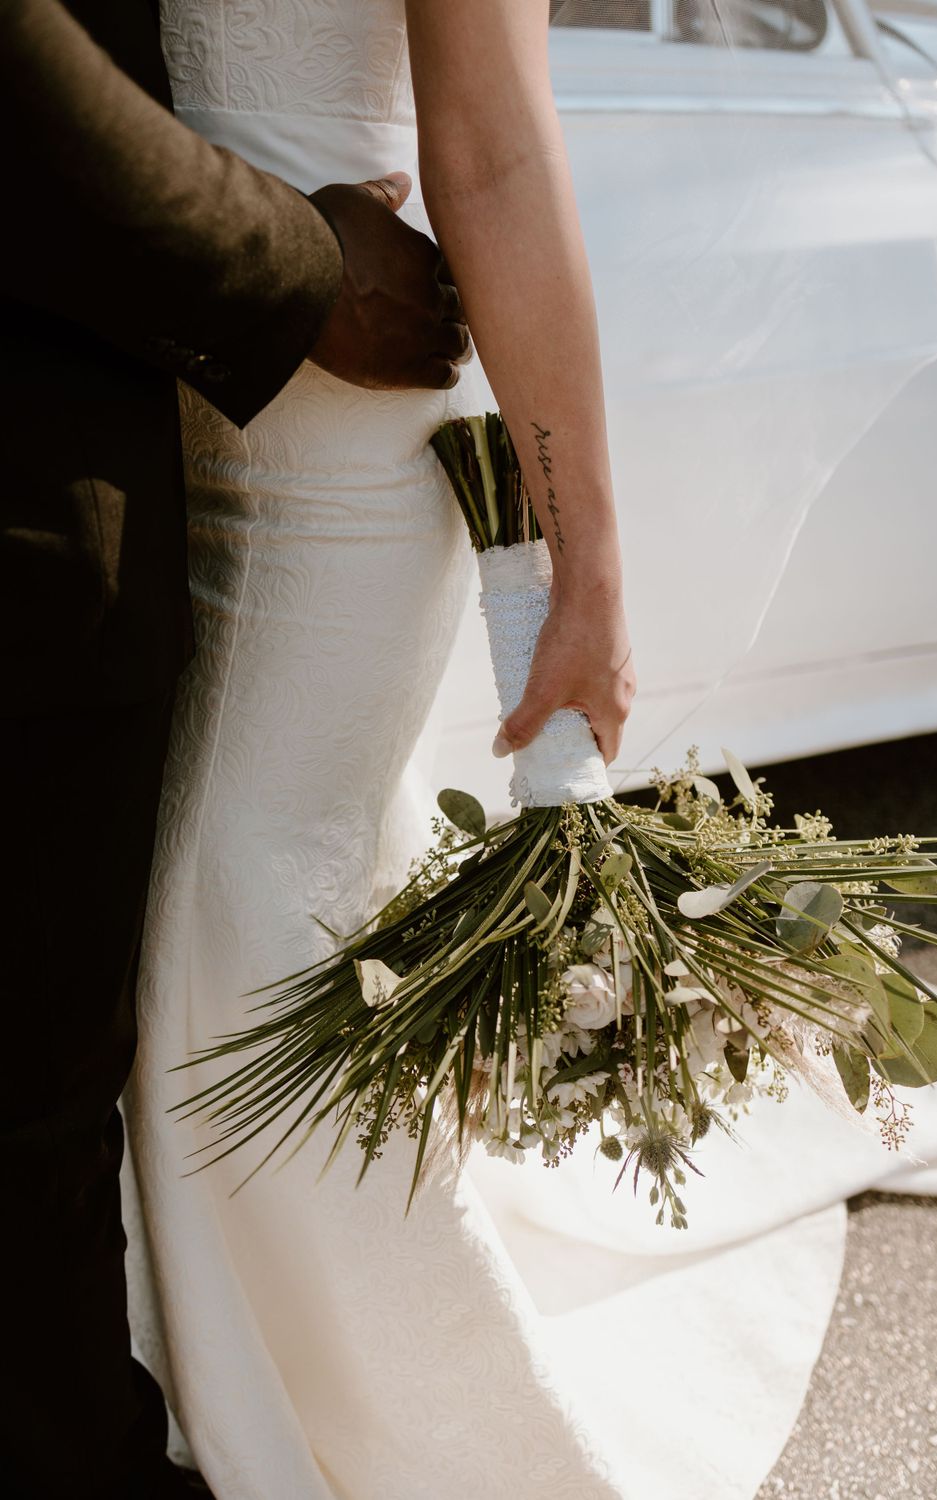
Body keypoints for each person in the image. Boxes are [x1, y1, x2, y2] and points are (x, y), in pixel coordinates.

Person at [124, 1, 635, 1496]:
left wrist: (588, 568)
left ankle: (406, 1420)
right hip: (134, 393)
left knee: (231, 929)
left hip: (338, 463)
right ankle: (157, 1383)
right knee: (140, 937)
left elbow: (495, 149)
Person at [0, 1, 471, 1495]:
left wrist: (574, 559)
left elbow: (501, 154)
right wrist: (295, 267)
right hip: (110, 416)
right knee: (39, 1091)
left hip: (257, 436)